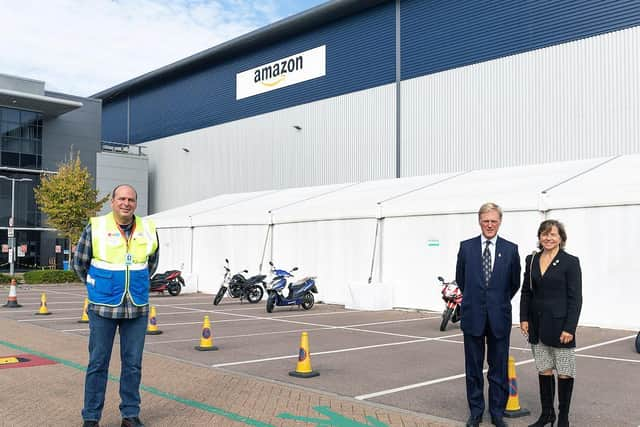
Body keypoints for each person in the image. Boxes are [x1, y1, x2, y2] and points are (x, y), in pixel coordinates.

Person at [73, 184, 159, 427]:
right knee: (98, 363)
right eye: (121, 198)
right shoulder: (97, 227)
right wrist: (98, 285)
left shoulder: (148, 228)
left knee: (133, 364)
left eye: (131, 199)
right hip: (103, 307)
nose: (126, 203)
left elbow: (151, 264)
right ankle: (91, 417)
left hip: (137, 306)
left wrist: (134, 284)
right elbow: (80, 262)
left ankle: (130, 415)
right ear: (112, 202)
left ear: (136, 203)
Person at [456, 202, 521, 427]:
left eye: (494, 221)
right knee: (473, 369)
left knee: (498, 369)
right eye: (486, 221)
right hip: (473, 317)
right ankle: (475, 412)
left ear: (500, 222)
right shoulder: (466, 248)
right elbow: (462, 280)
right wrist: (479, 301)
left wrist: (496, 302)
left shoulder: (511, 249)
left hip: (499, 318)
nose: (490, 225)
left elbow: (514, 284)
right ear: (479, 221)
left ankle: (496, 412)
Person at [520, 220, 582, 427]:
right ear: (539, 237)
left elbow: (575, 298)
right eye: (544, 234)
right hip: (537, 325)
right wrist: (524, 318)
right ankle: (547, 415)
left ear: (561, 238)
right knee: (544, 370)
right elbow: (526, 292)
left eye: (553, 234)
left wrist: (570, 328)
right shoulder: (531, 260)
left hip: (561, 327)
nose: (548, 238)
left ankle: (563, 418)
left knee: (565, 372)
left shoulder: (570, 262)